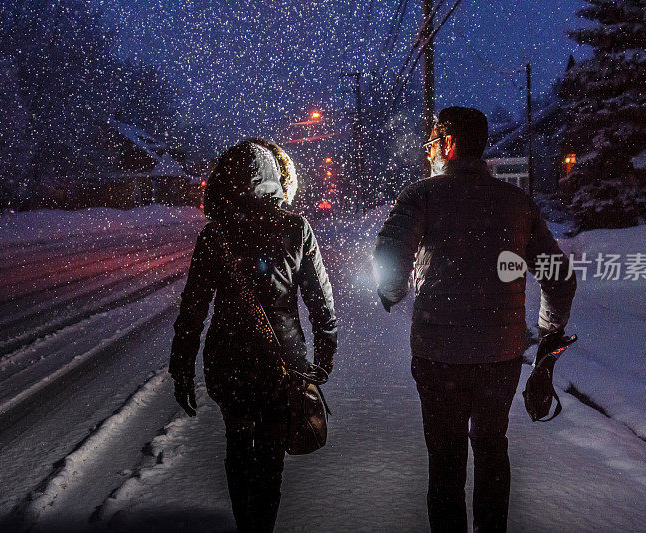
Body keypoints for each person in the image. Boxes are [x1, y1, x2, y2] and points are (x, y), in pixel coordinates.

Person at [373, 106, 577, 533]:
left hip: (438, 356)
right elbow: (558, 277)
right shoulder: (516, 203)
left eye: (434, 142)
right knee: (491, 446)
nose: (431, 151)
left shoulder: (421, 195)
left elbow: (391, 260)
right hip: (499, 357)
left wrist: (393, 292)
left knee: (445, 459)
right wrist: (547, 334)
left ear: (448, 144)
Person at [169, 139, 337, 532]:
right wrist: (325, 353)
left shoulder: (215, 235)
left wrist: (182, 367)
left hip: (229, 356)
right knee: (270, 457)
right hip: (284, 359)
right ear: (275, 179)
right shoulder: (295, 227)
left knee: (238, 444)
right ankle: (261, 524)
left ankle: (246, 523)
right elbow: (320, 301)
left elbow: (193, 308)